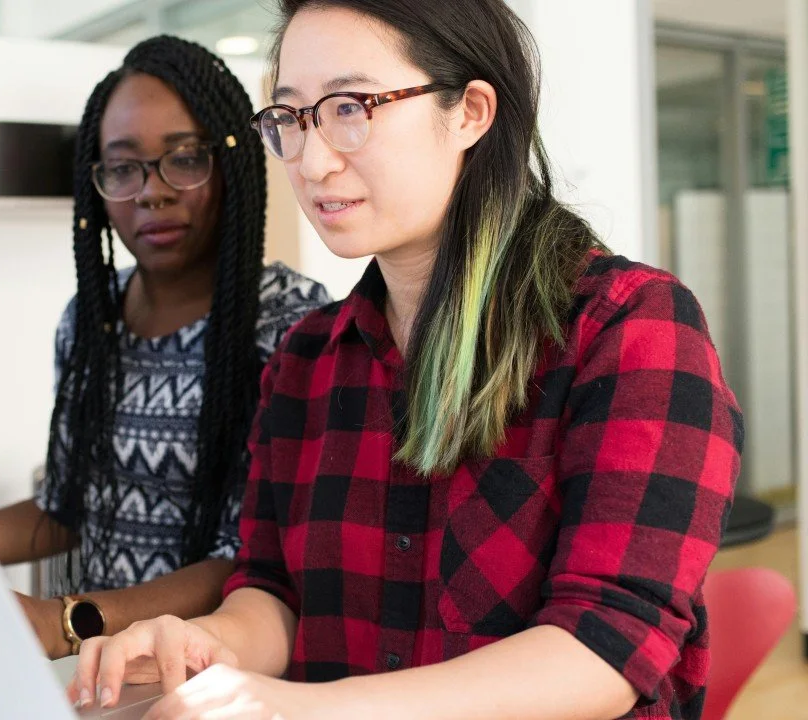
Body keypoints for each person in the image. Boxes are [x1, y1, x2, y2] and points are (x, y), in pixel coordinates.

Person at [66, 2, 743, 718]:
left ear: (471, 112)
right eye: (292, 120)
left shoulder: (630, 326)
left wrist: (302, 709)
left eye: (351, 108)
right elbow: (273, 592)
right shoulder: (306, 357)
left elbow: (603, 649)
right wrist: (205, 648)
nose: (314, 160)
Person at [0, 36, 331, 661]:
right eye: (123, 167)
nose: (152, 191)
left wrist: (66, 621)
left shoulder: (289, 325)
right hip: (102, 673)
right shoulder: (91, 320)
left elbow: (252, 558)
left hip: (217, 672)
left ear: (232, 164)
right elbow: (66, 505)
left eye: (184, 159)